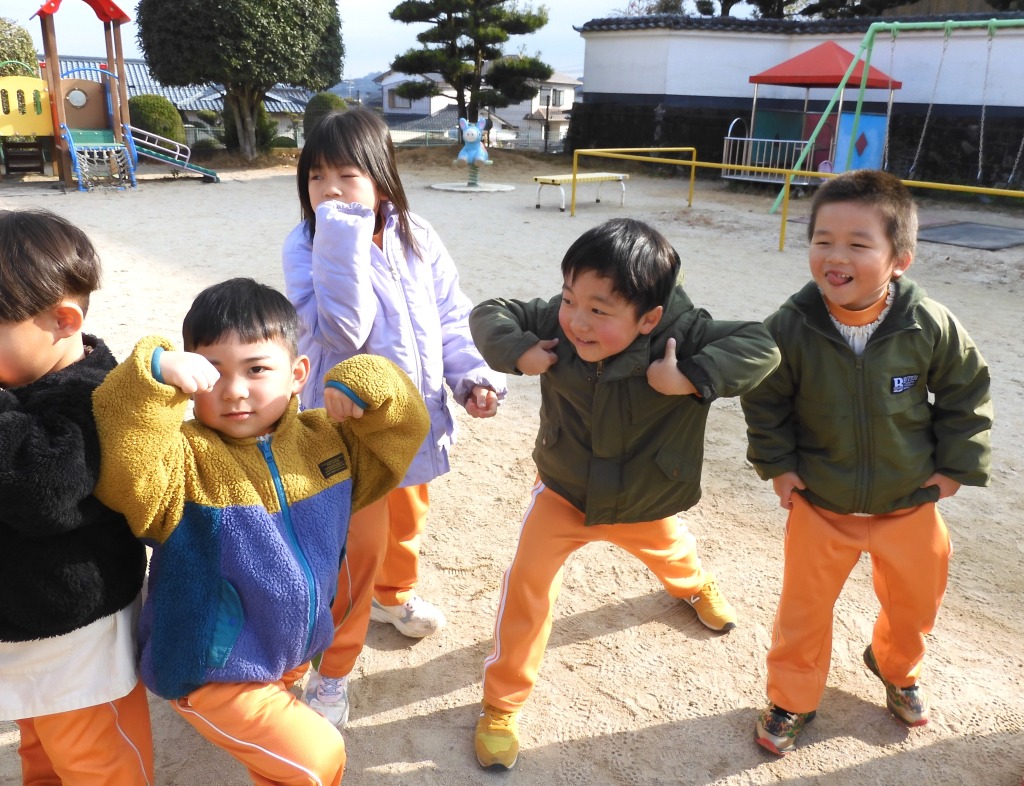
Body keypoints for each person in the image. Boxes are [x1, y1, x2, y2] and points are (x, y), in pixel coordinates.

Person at [468, 217, 781, 769]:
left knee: (672, 553)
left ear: (650, 318)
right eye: (570, 299)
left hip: (643, 496)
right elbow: (489, 310)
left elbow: (762, 345)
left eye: (599, 309)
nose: (576, 321)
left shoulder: (683, 333)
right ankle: (501, 705)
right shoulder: (560, 326)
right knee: (526, 588)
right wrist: (519, 350)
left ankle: (696, 586)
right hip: (564, 490)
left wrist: (689, 377)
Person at [90, 278, 429, 786]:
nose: (234, 390)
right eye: (213, 372)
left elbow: (400, 433)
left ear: (297, 374)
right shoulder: (182, 462)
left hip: (288, 652)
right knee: (317, 759)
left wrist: (371, 381)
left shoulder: (325, 446)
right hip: (209, 671)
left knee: (282, 764)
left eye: (256, 369)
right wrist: (152, 373)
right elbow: (124, 462)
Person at [741, 169, 993, 755]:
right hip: (821, 501)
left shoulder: (927, 323)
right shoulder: (792, 325)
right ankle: (792, 697)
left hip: (908, 501)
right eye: (822, 240)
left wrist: (955, 466)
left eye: (858, 244)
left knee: (914, 605)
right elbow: (766, 400)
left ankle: (896, 666)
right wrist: (779, 465)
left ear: (899, 259)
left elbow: (966, 391)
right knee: (802, 610)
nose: (836, 255)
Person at [281, 108, 507, 727]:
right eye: (316, 176)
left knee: (408, 520)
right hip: (353, 432)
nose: (329, 189)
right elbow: (340, 328)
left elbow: (451, 318)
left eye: (346, 176)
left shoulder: (417, 234)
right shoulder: (306, 244)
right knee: (356, 551)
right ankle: (333, 671)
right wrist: (340, 236)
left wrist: (472, 379)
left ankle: (393, 598)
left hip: (418, 422)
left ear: (382, 178)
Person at [0, 208, 154, 785]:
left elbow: (43, 491)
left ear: (63, 320)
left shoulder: (98, 397)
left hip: (76, 632)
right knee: (38, 743)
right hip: (23, 618)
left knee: (95, 759)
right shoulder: (17, 381)